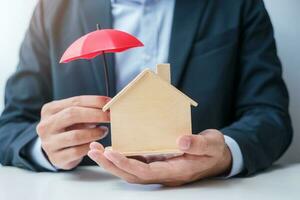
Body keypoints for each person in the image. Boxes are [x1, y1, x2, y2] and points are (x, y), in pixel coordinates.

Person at [0, 0, 293, 186]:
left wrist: (225, 152)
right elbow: (10, 126)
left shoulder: (237, 5)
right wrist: (45, 147)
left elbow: (270, 116)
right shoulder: (52, 8)